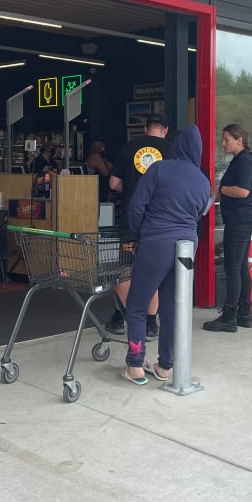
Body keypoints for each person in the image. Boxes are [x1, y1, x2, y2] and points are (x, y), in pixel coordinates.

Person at [121, 124, 209, 385]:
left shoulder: (159, 168)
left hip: (156, 242)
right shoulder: (203, 180)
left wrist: (137, 235)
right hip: (186, 246)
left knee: (137, 305)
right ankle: (165, 366)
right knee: (171, 307)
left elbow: (137, 205)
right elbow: (199, 215)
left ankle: (135, 365)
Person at [106, 115, 173, 338]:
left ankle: (121, 317)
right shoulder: (171, 150)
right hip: (159, 223)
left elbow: (114, 183)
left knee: (125, 269)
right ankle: (151, 322)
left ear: (145, 129)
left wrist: (132, 189)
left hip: (132, 221)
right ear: (165, 130)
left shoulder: (129, 147)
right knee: (153, 271)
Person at [204, 124, 252, 332]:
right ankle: (245, 313)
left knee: (233, 268)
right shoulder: (240, 160)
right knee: (241, 267)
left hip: (240, 220)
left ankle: (229, 315)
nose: (223, 143)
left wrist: (221, 188)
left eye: (227, 139)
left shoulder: (244, 161)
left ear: (239, 140)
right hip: (243, 219)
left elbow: (243, 191)